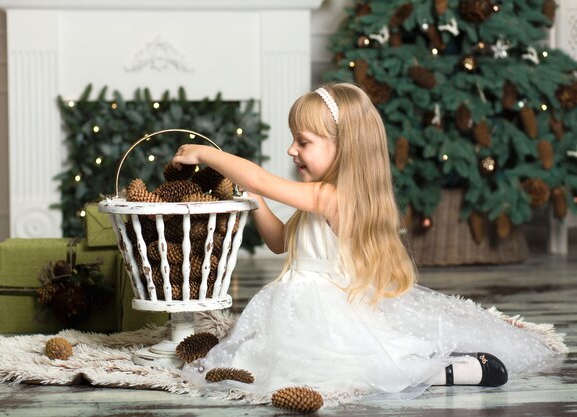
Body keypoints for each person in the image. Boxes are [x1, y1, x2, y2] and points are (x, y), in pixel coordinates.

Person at [170, 83, 566, 405]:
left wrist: (208, 153)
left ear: (343, 147)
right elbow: (278, 243)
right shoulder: (316, 200)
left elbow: (260, 178)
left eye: (302, 141)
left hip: (326, 312)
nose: (292, 150)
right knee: (268, 363)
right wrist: (255, 203)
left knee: (361, 368)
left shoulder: (334, 198)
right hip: (294, 308)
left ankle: (449, 371)